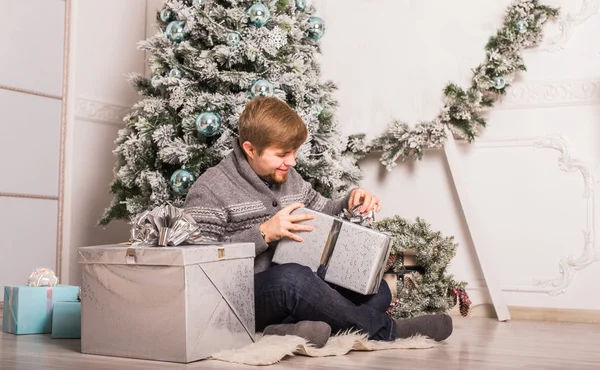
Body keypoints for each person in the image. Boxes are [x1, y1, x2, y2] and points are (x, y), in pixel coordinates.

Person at [184, 97, 452, 347]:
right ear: (250, 149)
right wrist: (263, 233)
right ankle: (387, 331)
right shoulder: (211, 187)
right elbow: (199, 262)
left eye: (294, 152)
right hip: (237, 298)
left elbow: (324, 210)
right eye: (282, 154)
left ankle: (284, 330)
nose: (292, 161)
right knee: (293, 278)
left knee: (375, 289)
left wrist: (350, 202)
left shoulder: (288, 177)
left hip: (296, 289)